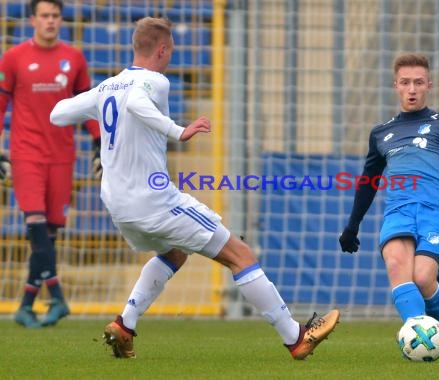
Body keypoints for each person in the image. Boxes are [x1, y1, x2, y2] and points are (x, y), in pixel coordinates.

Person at [50, 17, 339, 360]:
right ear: (162, 49)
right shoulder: (156, 81)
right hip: (154, 201)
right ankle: (296, 338)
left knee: (174, 252)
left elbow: (57, 114)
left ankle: (125, 325)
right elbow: (136, 106)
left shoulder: (107, 87)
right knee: (240, 255)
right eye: (170, 50)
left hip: (117, 204)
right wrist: (178, 130)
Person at [339, 53, 439, 337]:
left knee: (423, 278)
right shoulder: (381, 133)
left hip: (438, 211)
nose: (412, 89)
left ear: (429, 84)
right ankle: (421, 335)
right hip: (399, 210)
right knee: (395, 265)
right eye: (405, 82)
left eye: (418, 82)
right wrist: (353, 224)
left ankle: (438, 326)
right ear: (396, 85)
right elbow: (369, 182)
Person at [0, 0, 101, 328]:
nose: (50, 21)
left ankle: (26, 305)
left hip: (62, 157)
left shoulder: (74, 58)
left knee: (49, 236)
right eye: (45, 16)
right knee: (36, 226)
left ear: (61, 20)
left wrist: (99, 144)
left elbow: (88, 107)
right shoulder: (14, 58)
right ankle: (57, 298)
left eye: (56, 16)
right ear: (33, 20)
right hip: (26, 155)